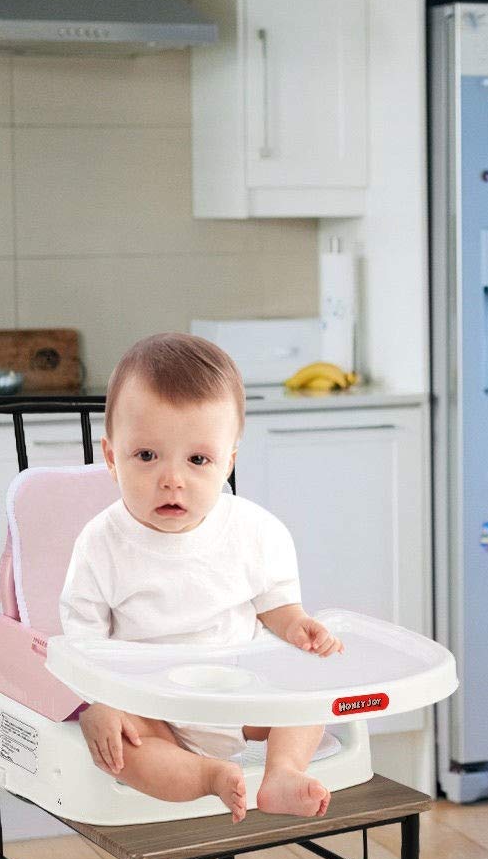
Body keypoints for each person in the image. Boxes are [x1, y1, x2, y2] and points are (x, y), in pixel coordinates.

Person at [59, 332, 345, 824]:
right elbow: (83, 637)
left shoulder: (255, 531)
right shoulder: (100, 543)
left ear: (228, 462)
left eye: (198, 460)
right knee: (123, 745)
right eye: (146, 456)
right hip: (153, 704)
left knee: (312, 687)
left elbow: (274, 604)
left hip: (244, 688)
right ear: (111, 456)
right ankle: (207, 776)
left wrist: (297, 624)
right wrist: (100, 701)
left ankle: (281, 771)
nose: (172, 478)